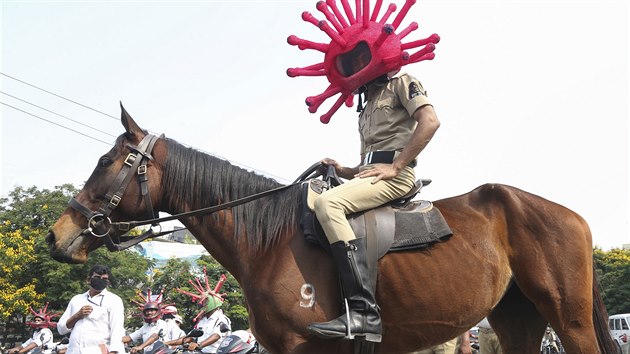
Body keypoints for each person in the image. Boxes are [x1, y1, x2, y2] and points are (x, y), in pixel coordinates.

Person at [57, 264, 125, 354]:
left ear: (107, 282)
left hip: (98, 351)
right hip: (74, 350)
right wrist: (77, 315)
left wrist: (113, 351)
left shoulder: (114, 300)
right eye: (97, 277)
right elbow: (61, 329)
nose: (100, 281)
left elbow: (117, 330)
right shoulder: (77, 299)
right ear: (88, 279)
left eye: (104, 279)